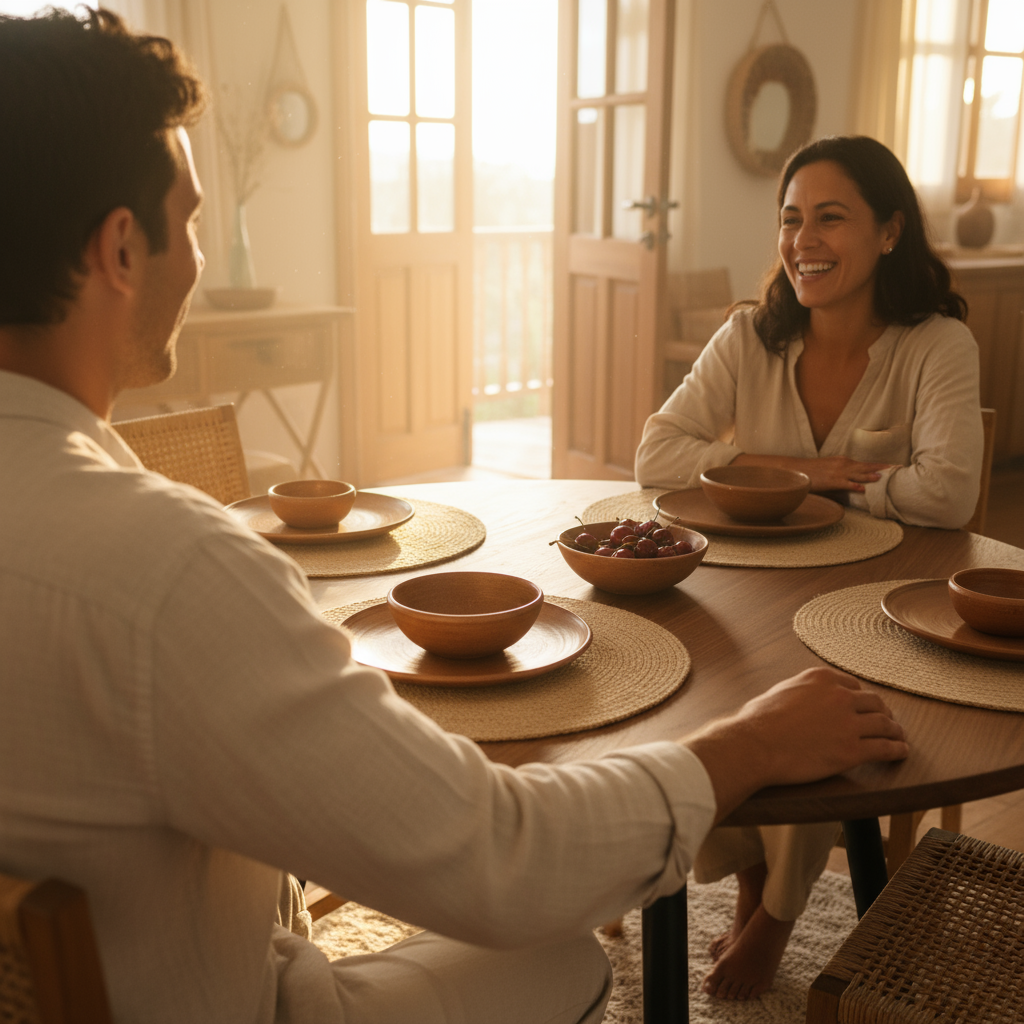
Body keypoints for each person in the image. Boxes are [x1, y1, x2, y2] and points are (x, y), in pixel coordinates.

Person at [0, 13, 909, 1023]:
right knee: (562, 953)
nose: (203, 255)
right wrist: (748, 743)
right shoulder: (165, 573)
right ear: (121, 247)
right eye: (196, 220)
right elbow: (500, 858)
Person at [636, 135, 982, 1000]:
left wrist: (773, 475)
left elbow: (948, 492)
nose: (803, 240)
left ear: (890, 232)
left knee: (823, 687)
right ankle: (753, 882)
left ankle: (779, 914)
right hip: (749, 588)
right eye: (792, 220)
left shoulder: (936, 345)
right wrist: (798, 473)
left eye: (831, 217)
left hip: (877, 600)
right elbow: (656, 453)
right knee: (699, 681)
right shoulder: (749, 338)